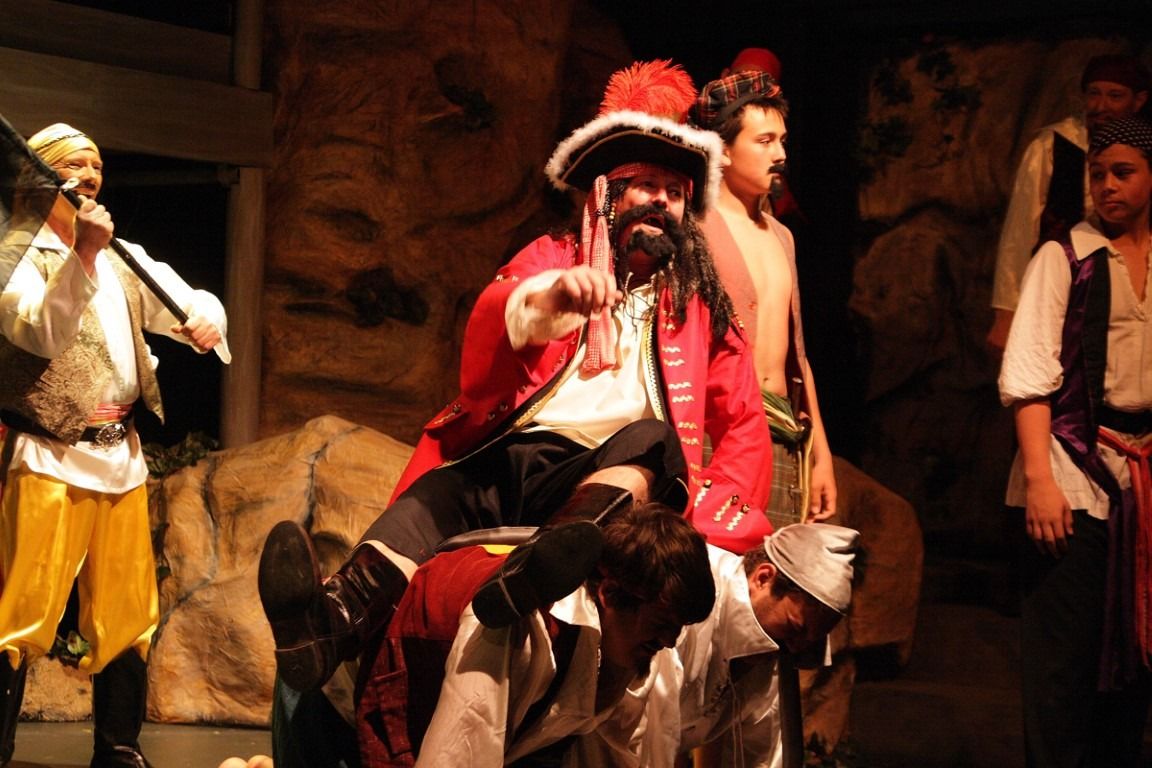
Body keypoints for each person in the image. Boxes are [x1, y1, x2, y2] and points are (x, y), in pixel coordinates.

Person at [257, 58, 774, 699]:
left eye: (674, 192)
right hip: (517, 452)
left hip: (611, 480)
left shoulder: (699, 304)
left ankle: (541, 565)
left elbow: (743, 421)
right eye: (646, 185)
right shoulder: (553, 257)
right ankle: (326, 627)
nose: (662, 202)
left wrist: (718, 525)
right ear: (606, 195)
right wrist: (550, 298)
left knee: (652, 439)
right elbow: (493, 329)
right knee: (441, 491)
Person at [0, 123, 230, 768]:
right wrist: (82, 255)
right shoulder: (17, 255)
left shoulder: (122, 255)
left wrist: (205, 318)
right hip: (49, 456)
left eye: (96, 165)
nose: (89, 176)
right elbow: (41, 333)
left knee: (128, 610)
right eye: (72, 166)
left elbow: (190, 299)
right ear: (39, 177)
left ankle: (119, 749)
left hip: (119, 458)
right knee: (21, 611)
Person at [999, 116, 1152, 767]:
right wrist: (1040, 480)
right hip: (1072, 475)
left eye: (1123, 172)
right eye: (1097, 173)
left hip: (1140, 477)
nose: (1107, 185)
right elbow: (1029, 376)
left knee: (1133, 657)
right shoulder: (1065, 258)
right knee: (1063, 663)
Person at [353, 504, 715, 767]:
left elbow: (613, 756)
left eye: (679, 627)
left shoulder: (630, 646)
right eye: (662, 622)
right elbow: (462, 746)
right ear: (609, 594)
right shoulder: (521, 626)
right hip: (406, 673)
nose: (670, 641)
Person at [688, 70, 836, 528]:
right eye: (765, 141)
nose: (781, 154)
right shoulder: (694, 230)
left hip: (784, 431)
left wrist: (821, 454)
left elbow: (798, 355)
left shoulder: (782, 236)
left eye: (782, 141)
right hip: (719, 434)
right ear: (723, 150)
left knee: (771, 566)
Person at [589, 522, 859, 768]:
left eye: (810, 640)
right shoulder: (694, 588)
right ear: (763, 578)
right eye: (794, 628)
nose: (796, 647)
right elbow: (633, 721)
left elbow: (762, 754)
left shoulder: (774, 655)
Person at [986, 54, 1150, 354]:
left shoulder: (1144, 153)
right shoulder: (1054, 145)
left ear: (1138, 100)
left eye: (1114, 96)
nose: (1100, 106)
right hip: (1065, 286)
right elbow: (1019, 232)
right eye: (1093, 94)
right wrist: (1006, 312)